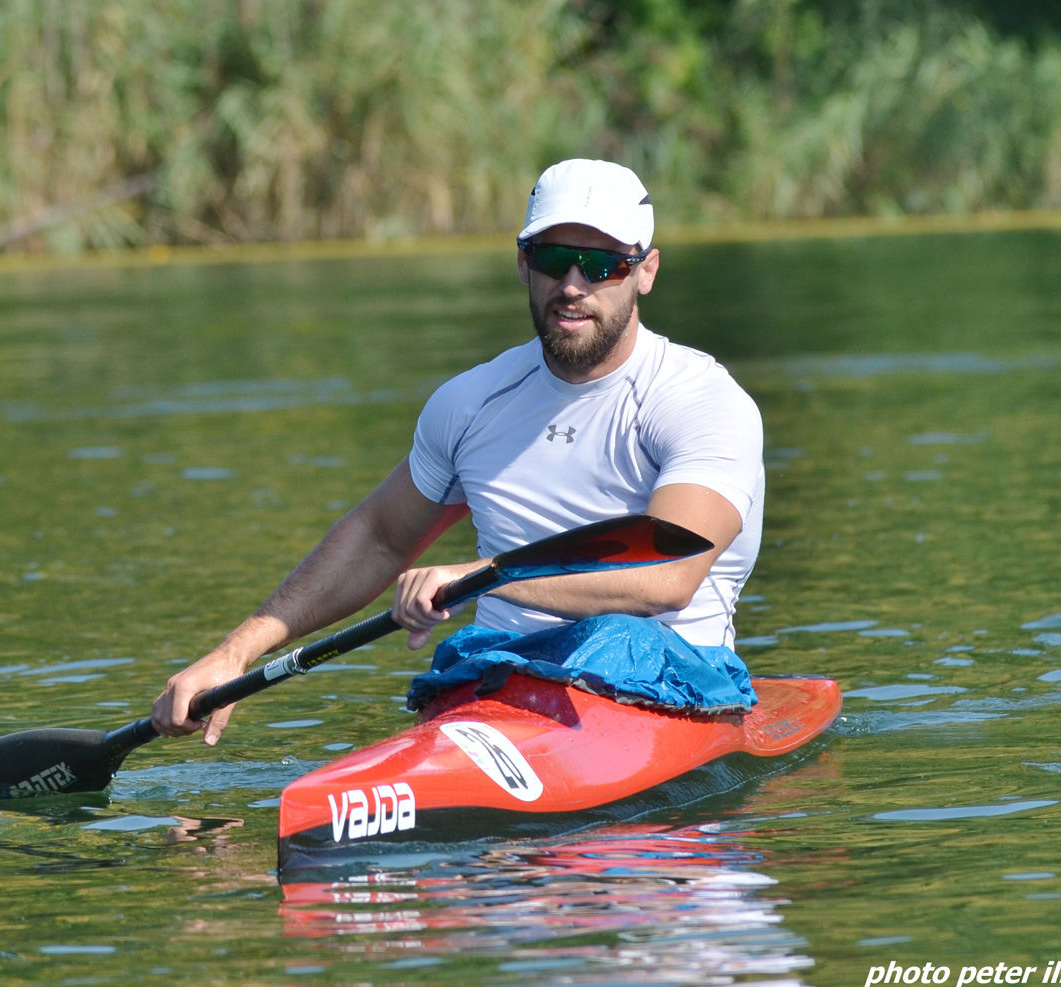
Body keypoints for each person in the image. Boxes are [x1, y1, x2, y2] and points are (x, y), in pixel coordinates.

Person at [152, 158, 764, 742]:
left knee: (621, 639)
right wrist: (232, 654)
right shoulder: (471, 403)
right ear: (524, 265)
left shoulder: (700, 401)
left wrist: (483, 579)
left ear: (645, 271)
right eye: (553, 259)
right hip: (500, 682)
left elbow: (668, 576)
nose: (572, 284)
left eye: (601, 264)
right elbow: (381, 538)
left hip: (668, 685)